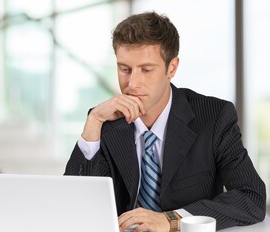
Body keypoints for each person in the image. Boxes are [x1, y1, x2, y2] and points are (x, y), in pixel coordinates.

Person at [64, 12, 266, 232]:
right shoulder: (106, 121)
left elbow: (252, 197)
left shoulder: (214, 116)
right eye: (124, 69)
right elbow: (74, 205)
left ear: (172, 68)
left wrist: (172, 219)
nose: (132, 83)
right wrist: (93, 122)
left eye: (146, 70)